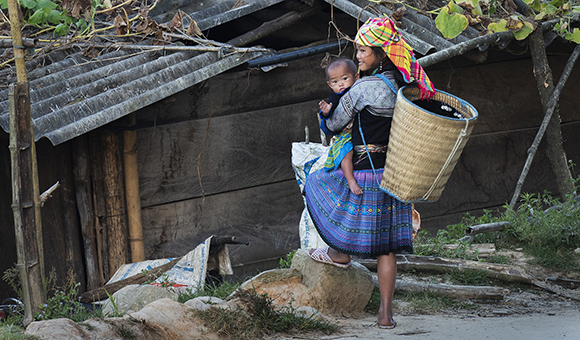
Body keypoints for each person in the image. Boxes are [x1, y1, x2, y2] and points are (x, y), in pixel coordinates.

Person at [304, 15, 435, 329]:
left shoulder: (364, 89)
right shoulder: (402, 85)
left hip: (365, 170)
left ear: (380, 53)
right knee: (386, 248)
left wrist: (324, 116)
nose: (358, 56)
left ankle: (339, 252)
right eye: (358, 51)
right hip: (394, 173)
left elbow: (335, 125)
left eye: (364, 51)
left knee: (317, 183)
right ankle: (385, 314)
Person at [318, 58, 362, 195]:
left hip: (360, 130)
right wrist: (325, 111)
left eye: (344, 78)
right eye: (335, 82)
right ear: (329, 84)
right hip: (345, 134)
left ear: (356, 77)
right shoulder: (335, 98)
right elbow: (328, 114)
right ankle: (351, 181)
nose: (341, 84)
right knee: (346, 153)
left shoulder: (360, 90)